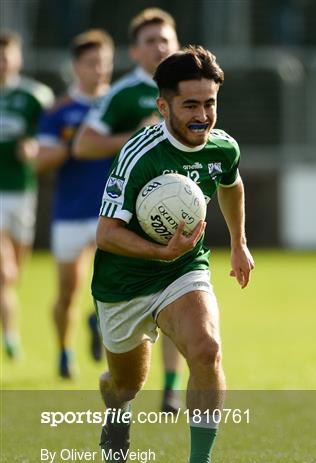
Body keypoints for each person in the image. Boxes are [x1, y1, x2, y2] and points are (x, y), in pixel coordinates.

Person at [92, 46, 254, 463]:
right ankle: (117, 408)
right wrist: (159, 250)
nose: (203, 115)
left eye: (210, 103)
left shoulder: (222, 146)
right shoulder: (138, 154)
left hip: (184, 268)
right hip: (123, 283)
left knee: (207, 348)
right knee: (125, 383)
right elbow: (106, 234)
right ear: (163, 106)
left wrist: (238, 243)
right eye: (191, 105)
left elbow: (232, 183)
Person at [73, 8, 182, 412]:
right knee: (134, 324)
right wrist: (132, 136)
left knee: (182, 297)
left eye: (166, 39)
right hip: (131, 221)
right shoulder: (123, 94)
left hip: (179, 217)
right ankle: (119, 389)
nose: (160, 47)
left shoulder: (187, 89)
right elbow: (83, 145)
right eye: (151, 41)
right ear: (135, 52)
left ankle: (171, 389)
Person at [36, 29, 114, 378]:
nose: (99, 70)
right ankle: (65, 351)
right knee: (67, 291)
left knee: (111, 285)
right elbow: (39, 161)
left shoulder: (117, 104)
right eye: (91, 63)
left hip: (111, 213)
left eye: (105, 62)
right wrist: (77, 145)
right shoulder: (59, 111)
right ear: (76, 67)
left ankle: (97, 322)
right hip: (69, 212)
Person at [0, 30, 54, 359]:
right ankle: (10, 334)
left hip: (24, 193)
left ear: (18, 58)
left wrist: (34, 149)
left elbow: (50, 138)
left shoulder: (35, 96)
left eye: (7, 54)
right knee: (3, 272)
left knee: (15, 273)